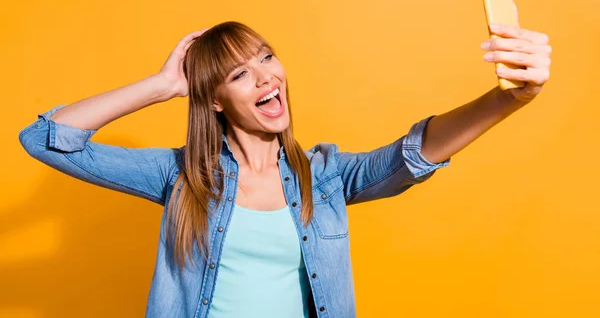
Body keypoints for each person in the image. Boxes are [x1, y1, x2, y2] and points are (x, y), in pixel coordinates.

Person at [18, 20, 551, 318]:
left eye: (267, 57)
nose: (266, 78)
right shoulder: (182, 178)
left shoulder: (325, 177)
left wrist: (511, 99)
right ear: (216, 101)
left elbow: (412, 154)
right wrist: (164, 86)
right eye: (239, 74)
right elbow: (47, 140)